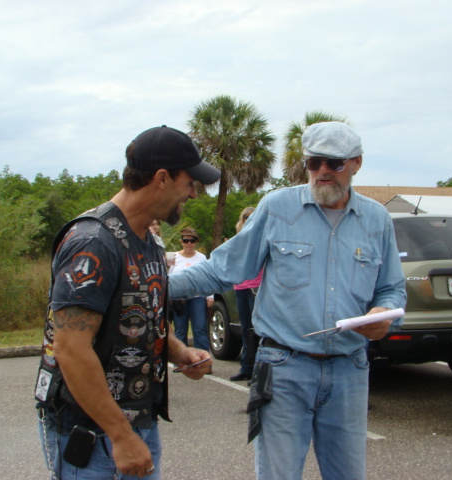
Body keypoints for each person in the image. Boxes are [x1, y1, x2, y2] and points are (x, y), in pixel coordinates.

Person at [168, 121, 406, 479]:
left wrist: (384, 313)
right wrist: (151, 288)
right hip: (283, 368)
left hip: (349, 370)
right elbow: (221, 270)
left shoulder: (377, 219)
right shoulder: (278, 207)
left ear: (356, 163)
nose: (322, 171)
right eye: (314, 163)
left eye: (334, 163)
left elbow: (392, 289)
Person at [34, 125, 220, 480]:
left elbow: (140, 321)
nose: (194, 193)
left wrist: (180, 352)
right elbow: (71, 348)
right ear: (162, 178)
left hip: (136, 423)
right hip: (94, 433)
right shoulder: (93, 242)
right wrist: (121, 435)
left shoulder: (148, 240)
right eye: (190, 181)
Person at [229, 207, 263, 382]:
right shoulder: (237, 240)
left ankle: (258, 371)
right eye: (246, 217)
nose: (249, 219)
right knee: (246, 329)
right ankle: (246, 368)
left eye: (252, 217)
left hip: (257, 286)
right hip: (240, 287)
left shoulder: (261, 238)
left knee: (258, 330)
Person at [169, 228, 213, 351]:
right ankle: (180, 361)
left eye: (192, 241)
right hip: (179, 298)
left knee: (200, 329)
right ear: (181, 241)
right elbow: (168, 278)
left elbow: (208, 278)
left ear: (196, 242)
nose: (189, 243)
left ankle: (203, 361)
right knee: (180, 330)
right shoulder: (174, 257)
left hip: (197, 296)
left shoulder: (202, 258)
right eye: (186, 240)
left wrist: (210, 296)